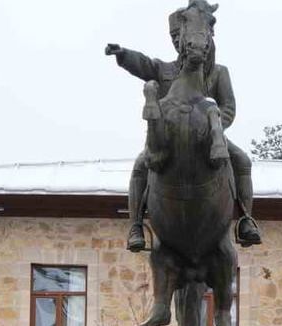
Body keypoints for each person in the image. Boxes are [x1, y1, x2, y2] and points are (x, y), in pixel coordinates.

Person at [105, 5, 261, 252]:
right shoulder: (164, 70)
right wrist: (123, 55)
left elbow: (228, 108)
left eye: (181, 35)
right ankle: (136, 225)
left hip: (209, 137)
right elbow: (143, 64)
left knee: (242, 161)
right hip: (168, 139)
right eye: (174, 37)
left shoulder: (219, 73)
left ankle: (245, 220)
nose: (179, 41)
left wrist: (214, 128)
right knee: (139, 167)